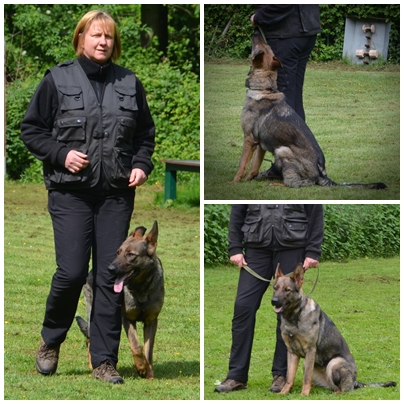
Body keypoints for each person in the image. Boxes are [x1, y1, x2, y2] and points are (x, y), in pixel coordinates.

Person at [20, 10, 155, 384]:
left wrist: (141, 164)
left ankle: (104, 360)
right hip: (70, 193)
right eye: (96, 35)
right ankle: (51, 341)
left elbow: (145, 134)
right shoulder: (57, 79)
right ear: (81, 38)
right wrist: (60, 154)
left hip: (115, 195)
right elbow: (31, 130)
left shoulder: (129, 82)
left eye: (109, 36)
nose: (103, 42)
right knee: (72, 272)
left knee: (112, 274)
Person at [214, 204, 324, 393]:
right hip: (256, 248)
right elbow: (238, 209)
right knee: (243, 307)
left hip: (292, 246)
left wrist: (313, 250)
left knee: (287, 312)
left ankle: (281, 375)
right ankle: (236, 376)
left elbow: (314, 209)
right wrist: (235, 247)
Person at [250, 5, 321, 121]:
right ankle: (299, 132)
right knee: (294, 94)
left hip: (286, 34)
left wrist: (259, 17)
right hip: (305, 29)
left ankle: (288, 131)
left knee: (284, 95)